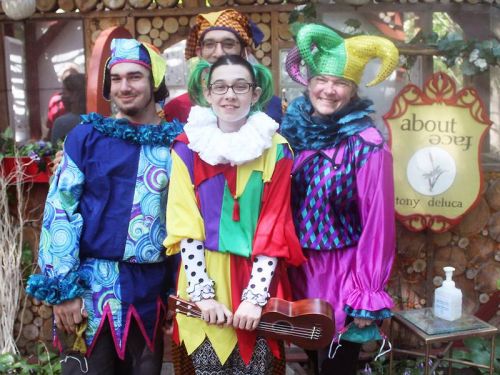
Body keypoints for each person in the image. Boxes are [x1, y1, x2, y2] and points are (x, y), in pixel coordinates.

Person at [26, 38, 183, 375]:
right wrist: (64, 288)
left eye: (135, 77)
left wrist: (176, 289)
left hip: (148, 291)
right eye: (117, 78)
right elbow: (60, 210)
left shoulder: (177, 146)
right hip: (88, 292)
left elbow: (184, 222)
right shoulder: (86, 138)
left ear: (154, 82)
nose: (125, 86)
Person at [163, 55, 305, 374]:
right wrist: (203, 295)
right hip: (203, 276)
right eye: (221, 86)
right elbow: (185, 225)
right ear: (208, 93)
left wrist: (255, 297)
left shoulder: (277, 150)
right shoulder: (186, 149)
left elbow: (274, 225)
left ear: (255, 94)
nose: (230, 95)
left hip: (258, 278)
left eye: (240, 86)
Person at [281, 24, 399, 375]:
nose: (329, 90)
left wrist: (367, 290)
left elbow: (378, 224)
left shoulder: (367, 145)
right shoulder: (291, 132)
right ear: (309, 81)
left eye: (341, 83)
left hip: (343, 276)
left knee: (335, 369)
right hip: (298, 272)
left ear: (353, 90)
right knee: (310, 365)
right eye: (323, 79)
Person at [163, 9, 282, 124]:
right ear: (199, 52)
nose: (219, 53)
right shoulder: (176, 108)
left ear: (245, 52)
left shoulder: (271, 106)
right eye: (209, 44)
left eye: (228, 44)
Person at [51, 73, 86, 144]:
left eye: (64, 92)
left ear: (75, 95)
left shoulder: (62, 123)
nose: (62, 97)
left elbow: (56, 152)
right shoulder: (98, 118)